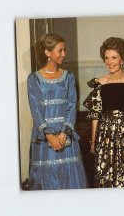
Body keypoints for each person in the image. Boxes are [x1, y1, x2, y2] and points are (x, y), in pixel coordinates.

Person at [83, 37, 124, 188]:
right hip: (106, 136)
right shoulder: (100, 83)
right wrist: (94, 141)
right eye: (106, 58)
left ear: (122, 59)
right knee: (107, 174)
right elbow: (95, 115)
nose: (109, 62)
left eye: (114, 57)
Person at [27, 33, 88, 190]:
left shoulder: (69, 77)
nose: (64, 54)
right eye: (60, 50)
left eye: (65, 50)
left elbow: (72, 105)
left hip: (65, 136)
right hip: (44, 138)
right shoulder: (34, 79)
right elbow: (36, 110)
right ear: (48, 52)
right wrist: (49, 135)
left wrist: (64, 133)